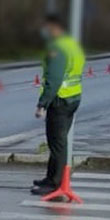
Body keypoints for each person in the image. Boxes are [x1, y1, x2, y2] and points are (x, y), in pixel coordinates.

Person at [32, 13, 85, 195]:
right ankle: (50, 177)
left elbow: (54, 79)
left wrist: (42, 104)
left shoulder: (57, 48)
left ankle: (55, 183)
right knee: (59, 142)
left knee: (57, 143)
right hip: (73, 97)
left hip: (60, 100)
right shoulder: (72, 45)